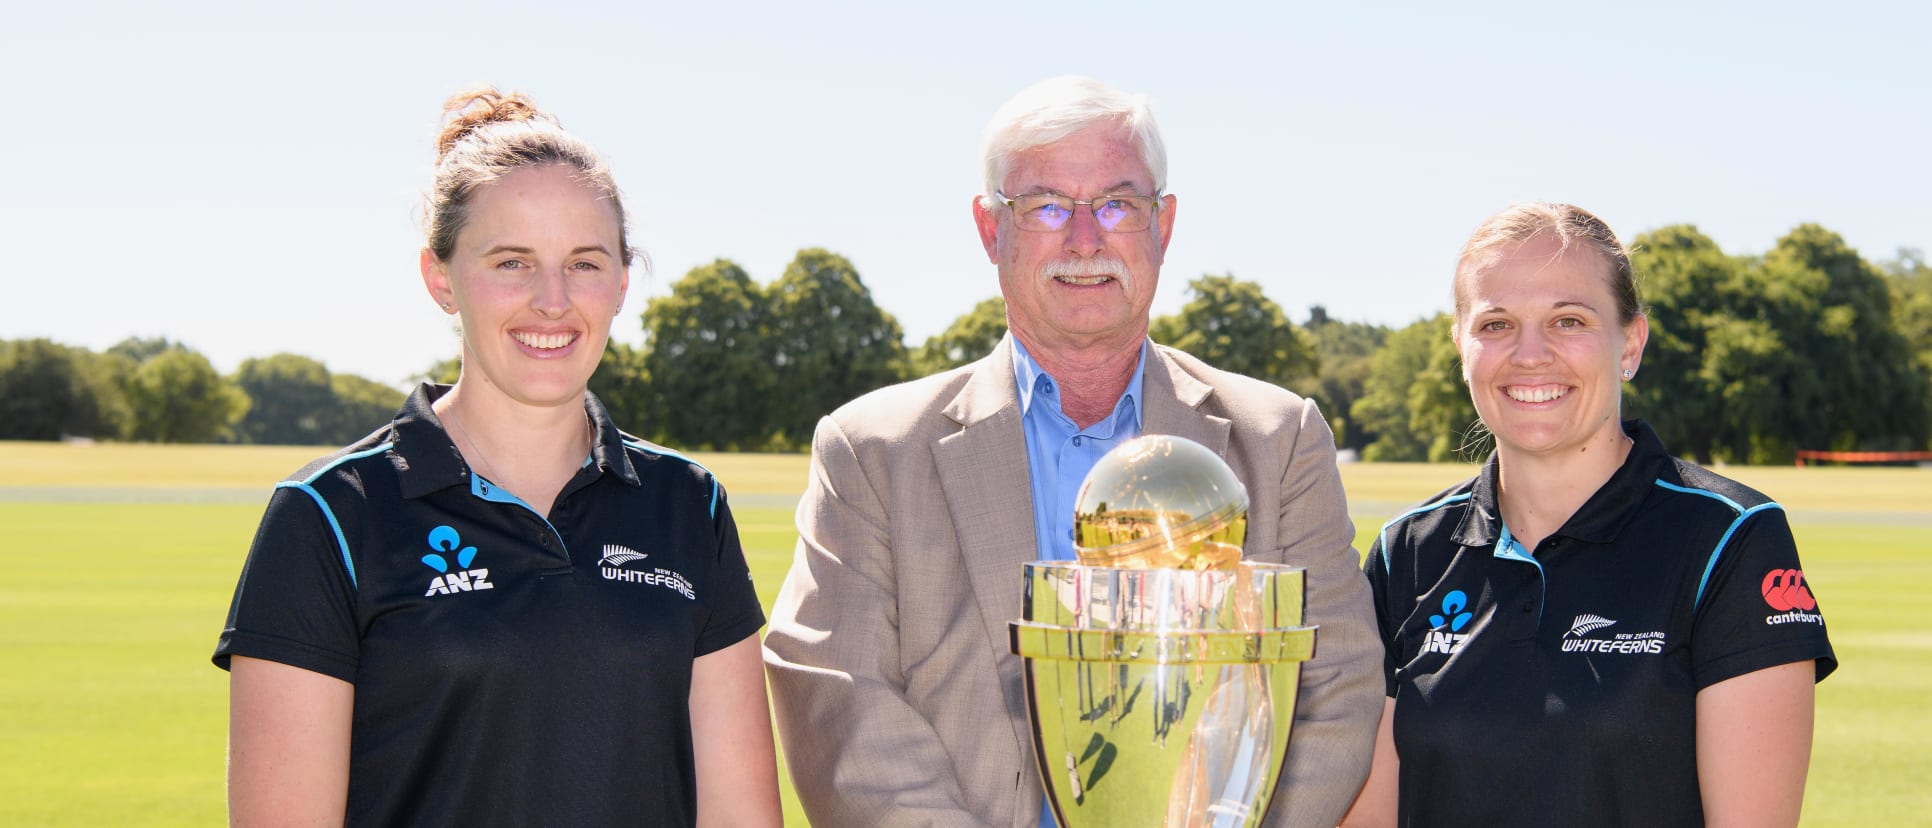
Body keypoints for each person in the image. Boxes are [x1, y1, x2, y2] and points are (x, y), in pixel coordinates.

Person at [761, 75, 1383, 828]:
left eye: (1117, 204)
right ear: (992, 230)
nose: (1084, 240)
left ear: (1165, 224)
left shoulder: (1279, 441)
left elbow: (1335, 689)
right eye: (1046, 206)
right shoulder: (871, 452)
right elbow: (841, 703)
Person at [212, 86, 781, 827]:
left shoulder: (688, 503)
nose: (552, 300)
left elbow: (739, 817)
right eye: (511, 262)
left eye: (584, 263)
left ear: (620, 284)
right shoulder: (330, 514)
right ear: (440, 277)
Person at [1342, 202, 1837, 828]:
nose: (1530, 354)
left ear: (1629, 343)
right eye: (1495, 325)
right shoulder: (1405, 552)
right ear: (1461, 346)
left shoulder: (1730, 540)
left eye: (1568, 320)